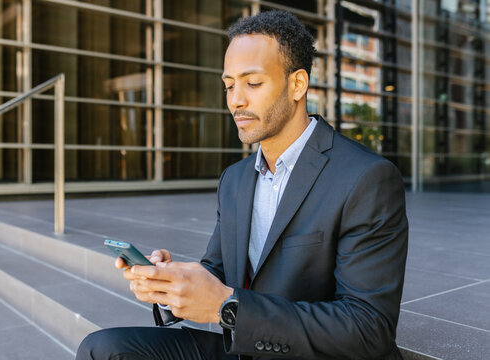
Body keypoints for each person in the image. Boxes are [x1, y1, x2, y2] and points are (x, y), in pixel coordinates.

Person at [77, 10, 408, 360]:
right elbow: (218, 271)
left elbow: (369, 328)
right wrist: (171, 282)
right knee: (102, 350)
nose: (236, 100)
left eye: (252, 83)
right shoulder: (235, 178)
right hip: (242, 349)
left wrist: (227, 306)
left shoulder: (365, 177)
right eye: (229, 85)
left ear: (297, 84)